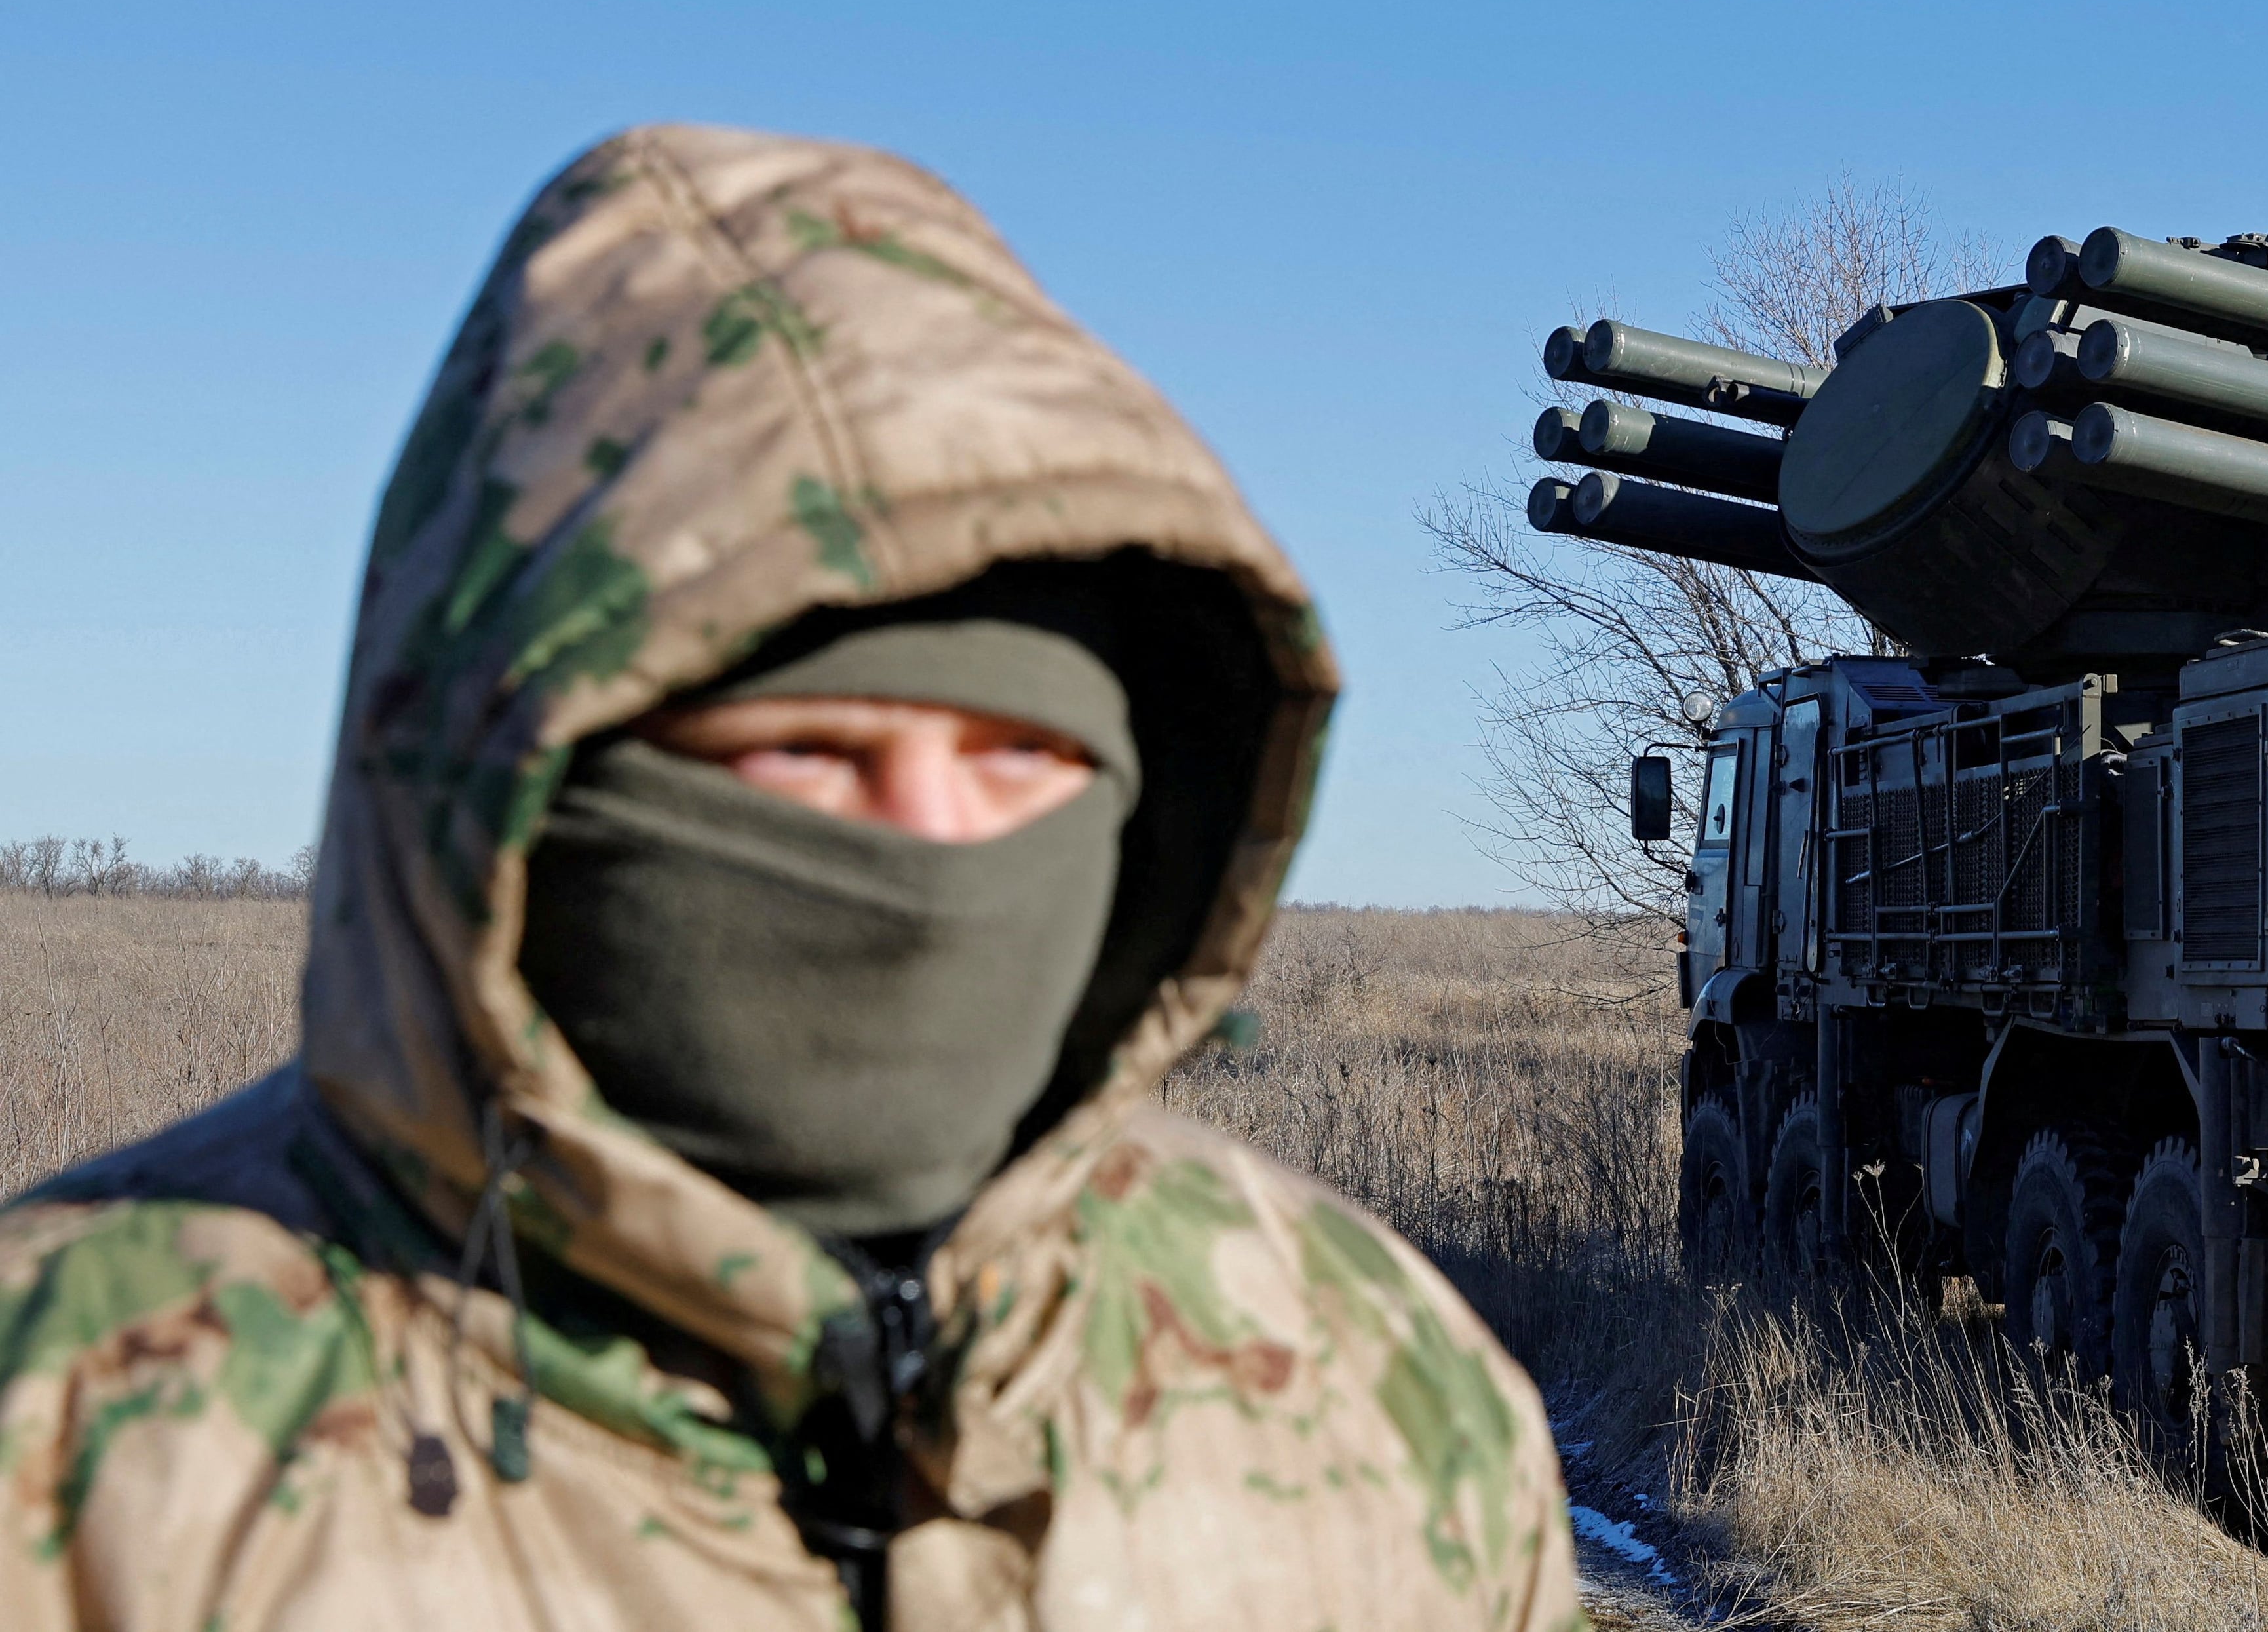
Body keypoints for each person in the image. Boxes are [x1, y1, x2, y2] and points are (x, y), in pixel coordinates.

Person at [0, 127, 1585, 1629]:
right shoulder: (75, 1426)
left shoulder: (1360, 1369)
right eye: (810, 756)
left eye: (1022, 762)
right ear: (528, 783)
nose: (934, 848)